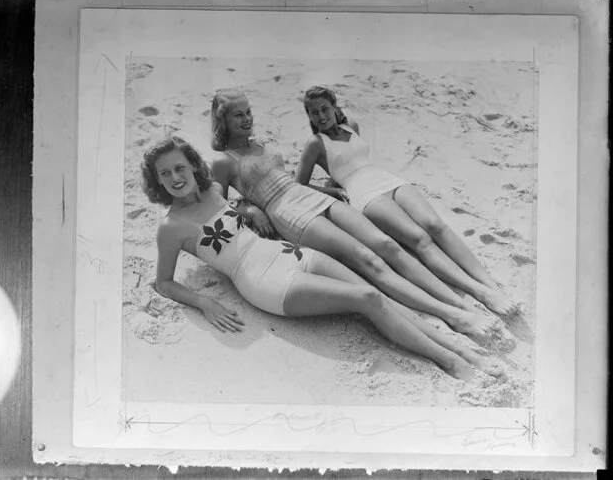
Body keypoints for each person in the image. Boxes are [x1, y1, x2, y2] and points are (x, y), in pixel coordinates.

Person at [141, 134, 506, 382]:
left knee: (377, 290)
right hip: (263, 280)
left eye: (179, 168)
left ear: (191, 165)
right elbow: (164, 282)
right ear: (156, 182)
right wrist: (204, 302)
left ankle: (460, 343)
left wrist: (251, 208)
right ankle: (451, 360)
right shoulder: (170, 228)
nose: (175, 177)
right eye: (165, 174)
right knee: (367, 299)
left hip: (287, 252)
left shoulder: (212, 192)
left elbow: (238, 200)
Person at [209, 88, 509, 348]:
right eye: (238, 115)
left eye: (248, 112)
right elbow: (219, 209)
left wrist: (331, 190)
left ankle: (471, 296)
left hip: (309, 197)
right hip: (286, 213)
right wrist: (250, 208)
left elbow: (291, 179)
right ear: (223, 120)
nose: (247, 119)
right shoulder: (223, 162)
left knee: (387, 246)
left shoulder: (259, 144)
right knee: (368, 261)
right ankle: (455, 313)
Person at [298, 85, 519, 318]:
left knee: (435, 226)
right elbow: (299, 183)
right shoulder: (315, 143)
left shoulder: (351, 126)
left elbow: (355, 158)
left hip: (386, 179)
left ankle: (490, 285)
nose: (321, 116)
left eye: (324, 109)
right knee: (419, 239)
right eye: (314, 112)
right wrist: (332, 191)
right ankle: (478, 293)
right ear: (309, 116)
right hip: (363, 193)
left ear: (334, 107)